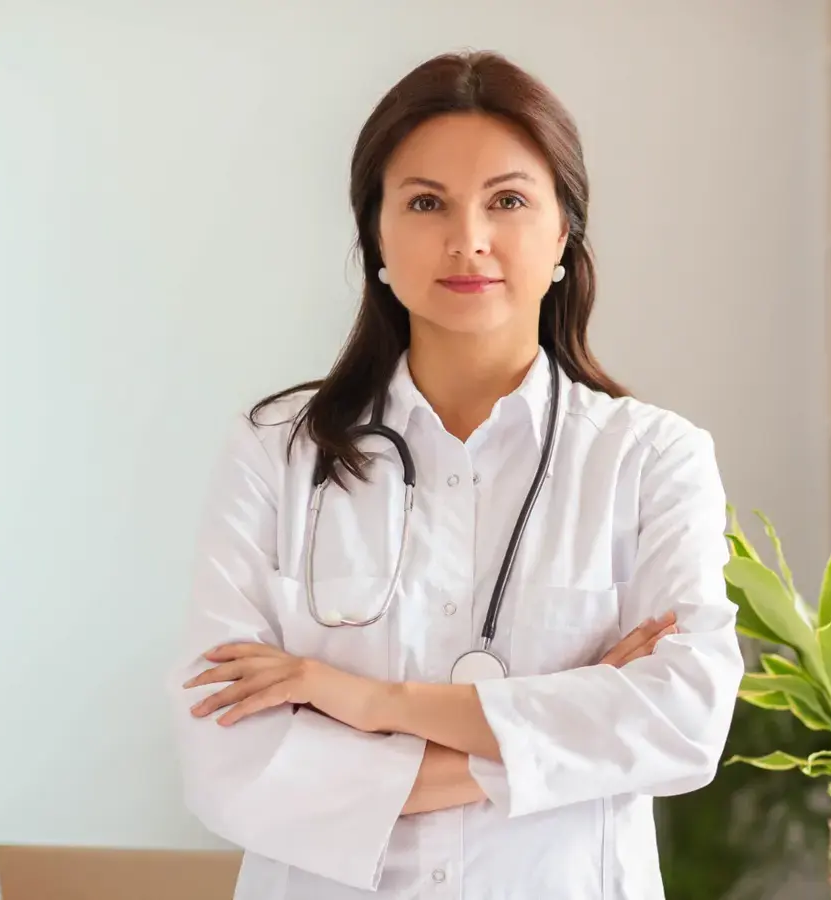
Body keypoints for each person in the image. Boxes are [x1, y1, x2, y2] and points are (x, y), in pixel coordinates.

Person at [168, 48, 745, 899]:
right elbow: (229, 764)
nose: (467, 238)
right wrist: (557, 745)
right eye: (426, 202)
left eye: (508, 200)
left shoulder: (652, 458)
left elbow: (684, 722)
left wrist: (365, 702)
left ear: (562, 235)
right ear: (376, 236)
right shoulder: (276, 454)